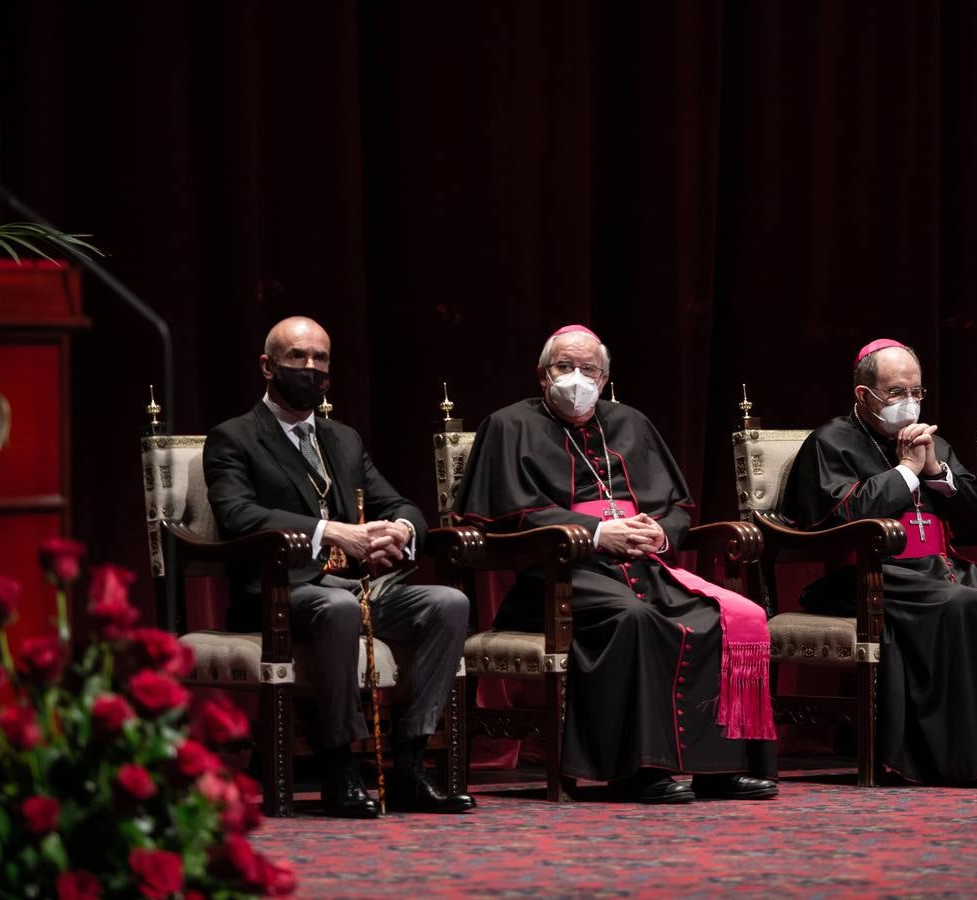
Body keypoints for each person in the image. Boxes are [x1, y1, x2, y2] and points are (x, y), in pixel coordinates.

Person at [452, 324, 778, 803]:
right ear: (543, 376)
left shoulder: (631, 423)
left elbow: (675, 506)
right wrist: (600, 533)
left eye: (589, 369)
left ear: (604, 379)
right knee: (634, 618)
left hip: (643, 567)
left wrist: (660, 532)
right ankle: (635, 770)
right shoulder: (508, 425)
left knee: (717, 618)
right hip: (560, 576)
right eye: (565, 367)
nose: (577, 378)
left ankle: (721, 769)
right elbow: (506, 513)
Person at [204, 316, 476, 815]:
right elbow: (236, 514)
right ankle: (339, 767)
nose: (311, 369)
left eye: (321, 360)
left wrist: (400, 531)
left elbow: (399, 503)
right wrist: (331, 532)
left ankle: (411, 764)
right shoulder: (235, 437)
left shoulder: (343, 439)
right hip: (283, 590)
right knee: (337, 608)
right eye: (298, 358)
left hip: (360, 586)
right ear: (268, 366)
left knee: (448, 602)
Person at [779, 338, 977, 787]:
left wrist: (934, 473)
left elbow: (974, 515)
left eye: (917, 392)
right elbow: (841, 518)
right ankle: (956, 757)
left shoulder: (934, 443)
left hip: (939, 568)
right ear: (863, 396)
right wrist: (906, 470)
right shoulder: (831, 441)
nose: (909, 404)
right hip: (867, 574)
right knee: (958, 605)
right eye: (896, 394)